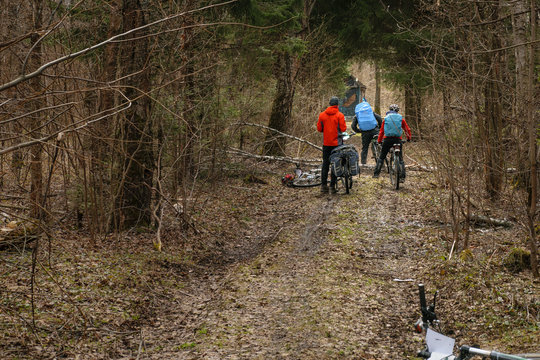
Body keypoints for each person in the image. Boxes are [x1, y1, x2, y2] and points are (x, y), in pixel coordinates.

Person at [373, 104, 411, 179]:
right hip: (397, 139)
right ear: (397, 111)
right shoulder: (401, 119)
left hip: (387, 139)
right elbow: (407, 129)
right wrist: (408, 138)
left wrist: (379, 141)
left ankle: (376, 174)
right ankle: (402, 176)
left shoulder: (386, 119)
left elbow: (381, 131)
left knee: (382, 156)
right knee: (400, 158)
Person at [317, 96, 347, 193]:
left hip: (326, 143)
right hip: (337, 144)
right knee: (336, 163)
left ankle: (323, 186)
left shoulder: (322, 115)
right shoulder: (340, 115)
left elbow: (319, 129)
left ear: (329, 104)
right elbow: (343, 129)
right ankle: (332, 186)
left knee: (325, 163)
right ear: (337, 104)